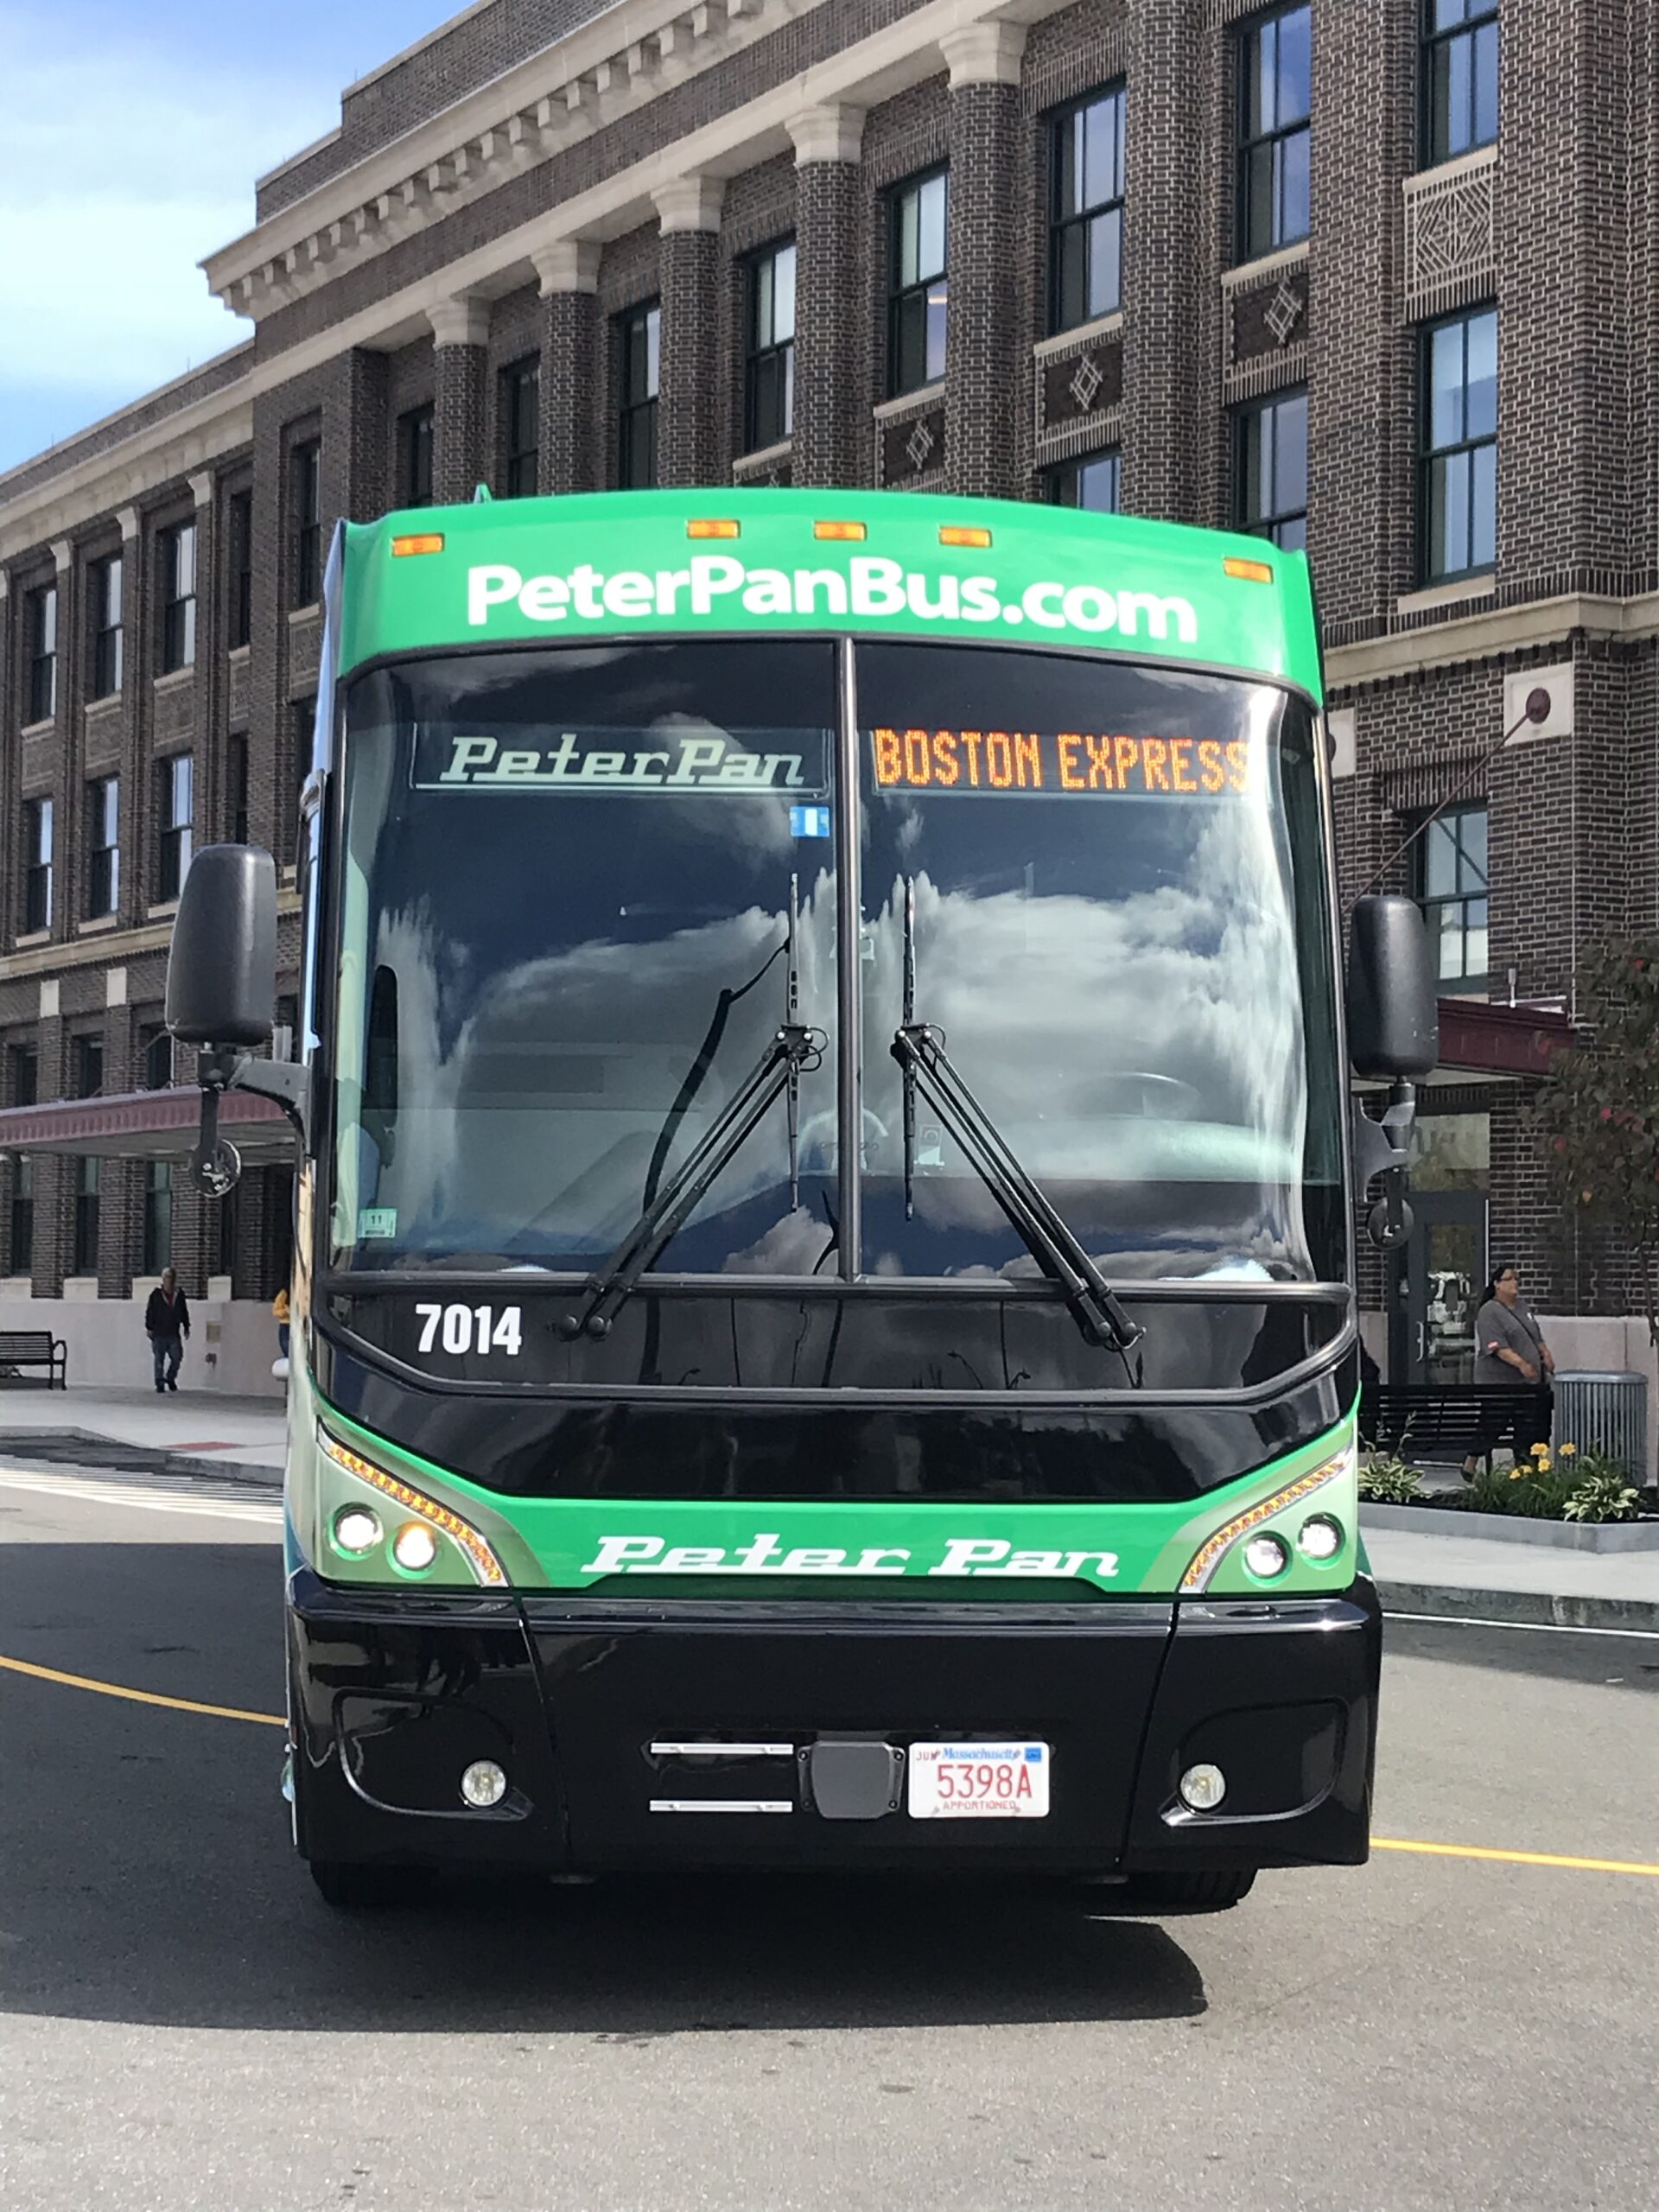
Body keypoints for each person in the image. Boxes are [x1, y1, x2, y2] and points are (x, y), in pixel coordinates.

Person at [1465, 1262, 1554, 1474]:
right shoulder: (1489, 1312)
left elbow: (1535, 1334)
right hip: (1501, 1383)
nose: (1515, 1283)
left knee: (1530, 1427)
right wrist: (1522, 1364)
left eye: (1516, 1279)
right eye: (1509, 1279)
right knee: (1493, 1424)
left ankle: (1526, 1468)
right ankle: (1471, 1461)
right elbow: (1497, 1347)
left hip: (1528, 1384)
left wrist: (1545, 1353)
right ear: (1497, 1284)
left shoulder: (1522, 1307)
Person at [144, 1267, 190, 1395]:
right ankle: (159, 1382)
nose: (169, 1280)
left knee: (177, 1357)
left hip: (173, 1332)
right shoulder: (156, 1295)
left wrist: (186, 1326)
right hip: (159, 1332)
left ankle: (170, 1378)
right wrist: (149, 1327)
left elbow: (184, 1311)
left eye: (171, 1277)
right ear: (163, 1279)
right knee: (159, 1359)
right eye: (167, 1277)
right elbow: (150, 1312)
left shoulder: (179, 1295)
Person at [273, 1285, 290, 1361]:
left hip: (299, 1325)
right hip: (286, 1324)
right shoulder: (284, 1294)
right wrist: (286, 1312)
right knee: (286, 1348)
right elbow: (275, 1311)